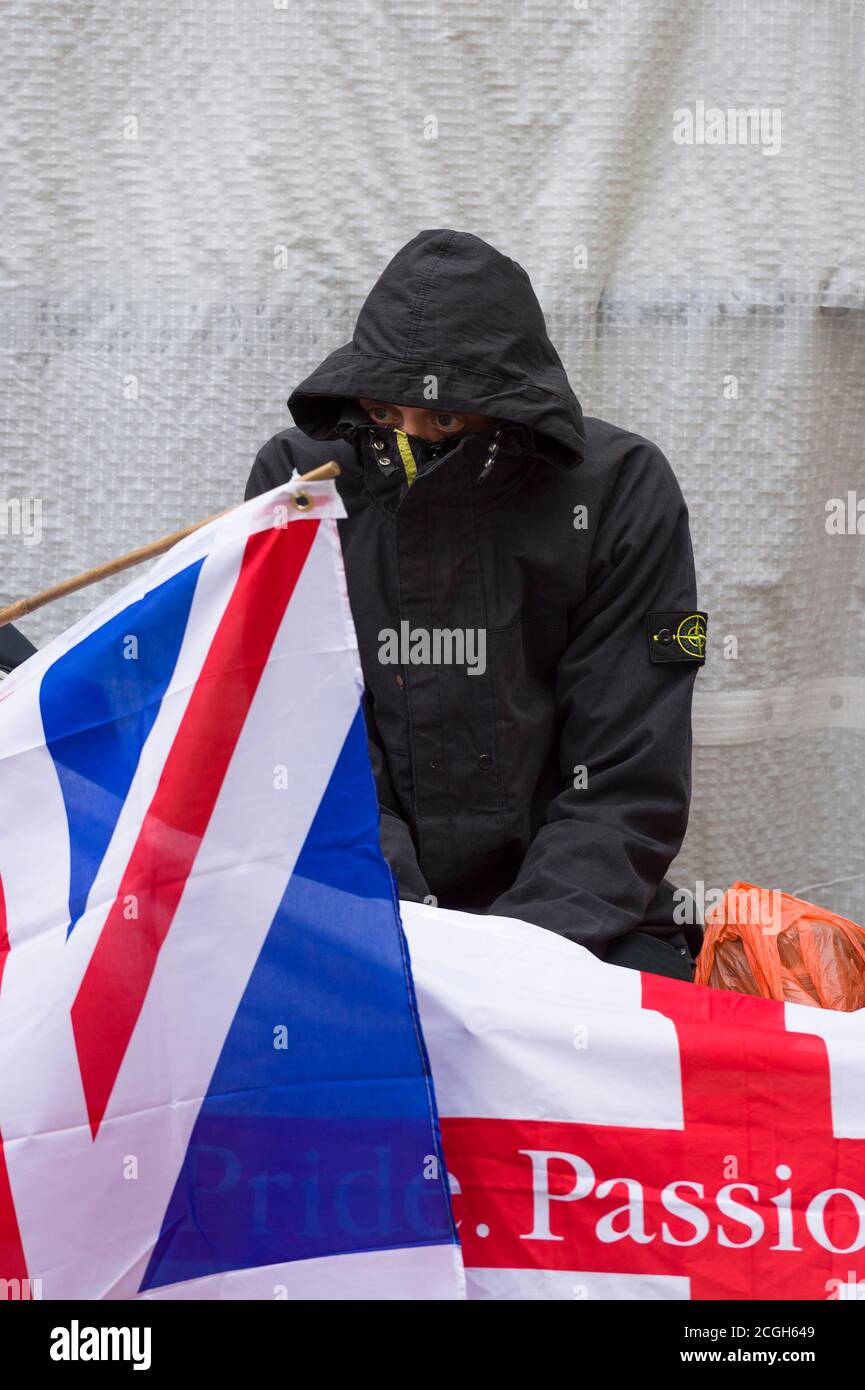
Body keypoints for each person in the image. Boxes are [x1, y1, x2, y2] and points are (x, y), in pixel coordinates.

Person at [247, 229, 707, 980]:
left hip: (578, 920)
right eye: (385, 413)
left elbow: (629, 771)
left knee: (652, 1060)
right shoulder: (299, 480)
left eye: (450, 421)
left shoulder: (623, 488)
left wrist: (509, 957)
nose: (414, 435)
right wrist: (410, 939)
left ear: (513, 407)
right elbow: (305, 746)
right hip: (357, 909)